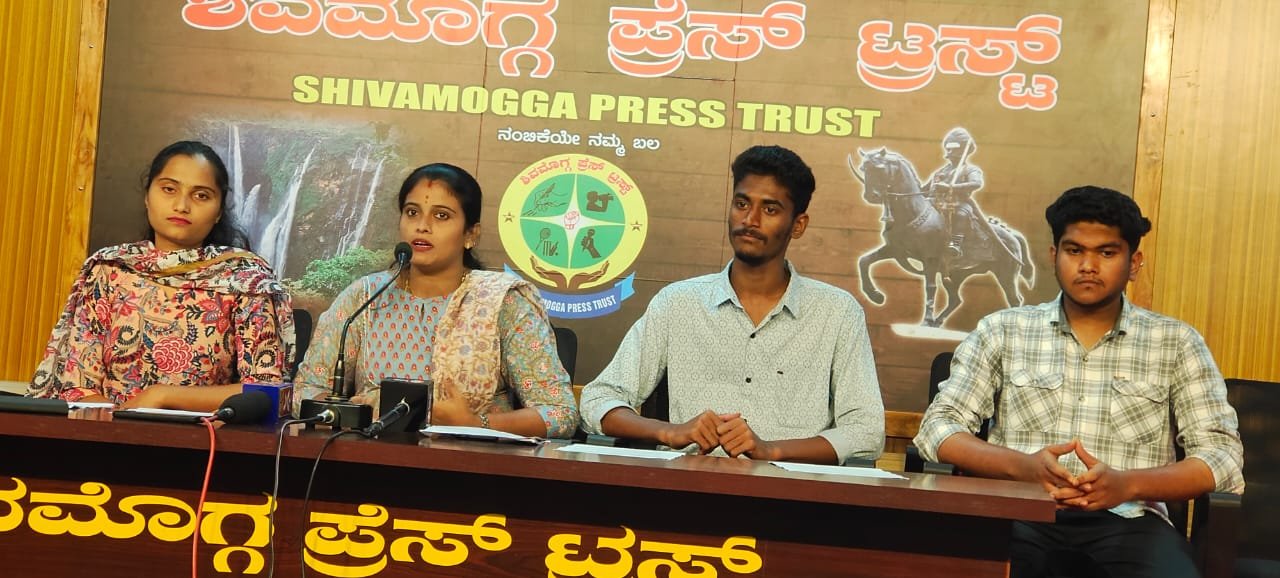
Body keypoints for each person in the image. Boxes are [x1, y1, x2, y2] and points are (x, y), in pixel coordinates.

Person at [914, 186, 1244, 577]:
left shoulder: (1177, 342)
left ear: (1134, 263)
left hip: (1132, 521)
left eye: (1107, 253)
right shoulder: (1002, 330)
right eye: (1074, 251)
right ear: (1054, 255)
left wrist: (1127, 485)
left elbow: (1221, 457)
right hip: (1017, 514)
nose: (1088, 266)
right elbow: (938, 429)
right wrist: (1024, 468)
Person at [580, 145, 884, 464]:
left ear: (798, 225)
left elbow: (867, 431)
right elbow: (598, 399)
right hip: (689, 483)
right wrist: (669, 432)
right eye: (742, 204)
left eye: (770, 209)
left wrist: (771, 451)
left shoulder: (837, 313)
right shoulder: (678, 303)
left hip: (791, 488)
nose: (750, 220)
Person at [294, 163, 578, 438]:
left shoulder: (503, 302)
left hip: (470, 463)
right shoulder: (365, 297)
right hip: (368, 457)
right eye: (412, 212)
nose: (422, 226)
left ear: (471, 234)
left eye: (441, 216)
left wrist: (476, 424)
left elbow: (559, 413)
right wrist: (355, 414)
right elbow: (304, 392)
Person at [29, 141, 295, 411]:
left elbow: (265, 391)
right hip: (106, 430)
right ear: (147, 196)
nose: (181, 205)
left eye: (201, 195)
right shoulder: (109, 270)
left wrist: (163, 396)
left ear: (218, 212)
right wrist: (126, 424)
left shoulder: (246, 280)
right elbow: (77, 387)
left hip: (207, 434)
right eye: (169, 189)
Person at [924, 127, 986, 258]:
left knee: (961, 214)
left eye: (953, 149)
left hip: (958, 203)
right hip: (935, 204)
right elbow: (924, 189)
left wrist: (950, 187)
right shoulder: (940, 171)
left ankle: (956, 244)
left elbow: (976, 183)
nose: (949, 152)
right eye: (948, 149)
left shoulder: (971, 169)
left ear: (962, 150)